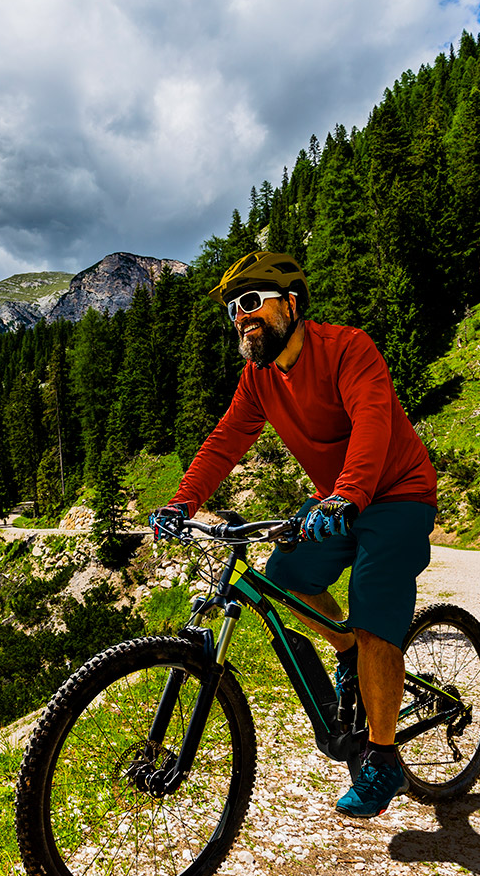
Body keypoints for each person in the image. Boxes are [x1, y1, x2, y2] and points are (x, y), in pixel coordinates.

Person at [151, 250, 437, 818]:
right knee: (284, 574)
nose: (241, 315)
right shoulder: (257, 378)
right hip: (341, 498)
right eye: (234, 307)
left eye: (253, 300)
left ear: (293, 304)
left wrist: (348, 494)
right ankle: (349, 649)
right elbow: (224, 441)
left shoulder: (348, 348)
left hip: (397, 492)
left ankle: (383, 758)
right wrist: (182, 500)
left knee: (375, 606)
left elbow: (373, 421)